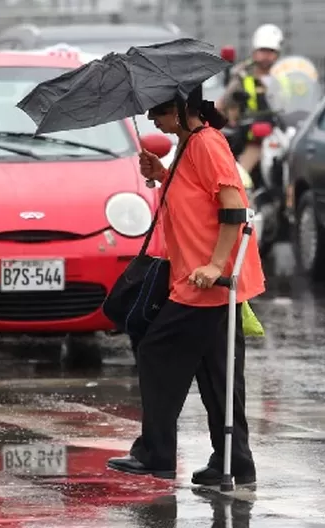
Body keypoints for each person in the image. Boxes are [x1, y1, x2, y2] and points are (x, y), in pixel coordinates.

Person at [106, 85, 265, 488]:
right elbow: (196, 199)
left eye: (158, 110)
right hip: (200, 279)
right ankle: (235, 461)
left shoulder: (207, 144)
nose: (151, 119)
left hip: (206, 282)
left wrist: (215, 265)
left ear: (180, 109)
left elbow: (233, 208)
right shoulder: (191, 144)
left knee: (157, 353)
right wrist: (161, 174)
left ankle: (156, 454)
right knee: (219, 375)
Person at [216, 23, 285, 180]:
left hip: (280, 132)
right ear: (254, 52)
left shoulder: (283, 74)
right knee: (241, 174)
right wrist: (233, 115)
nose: (266, 55)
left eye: (271, 51)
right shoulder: (242, 74)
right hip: (252, 134)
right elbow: (228, 100)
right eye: (263, 50)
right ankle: (243, 196)